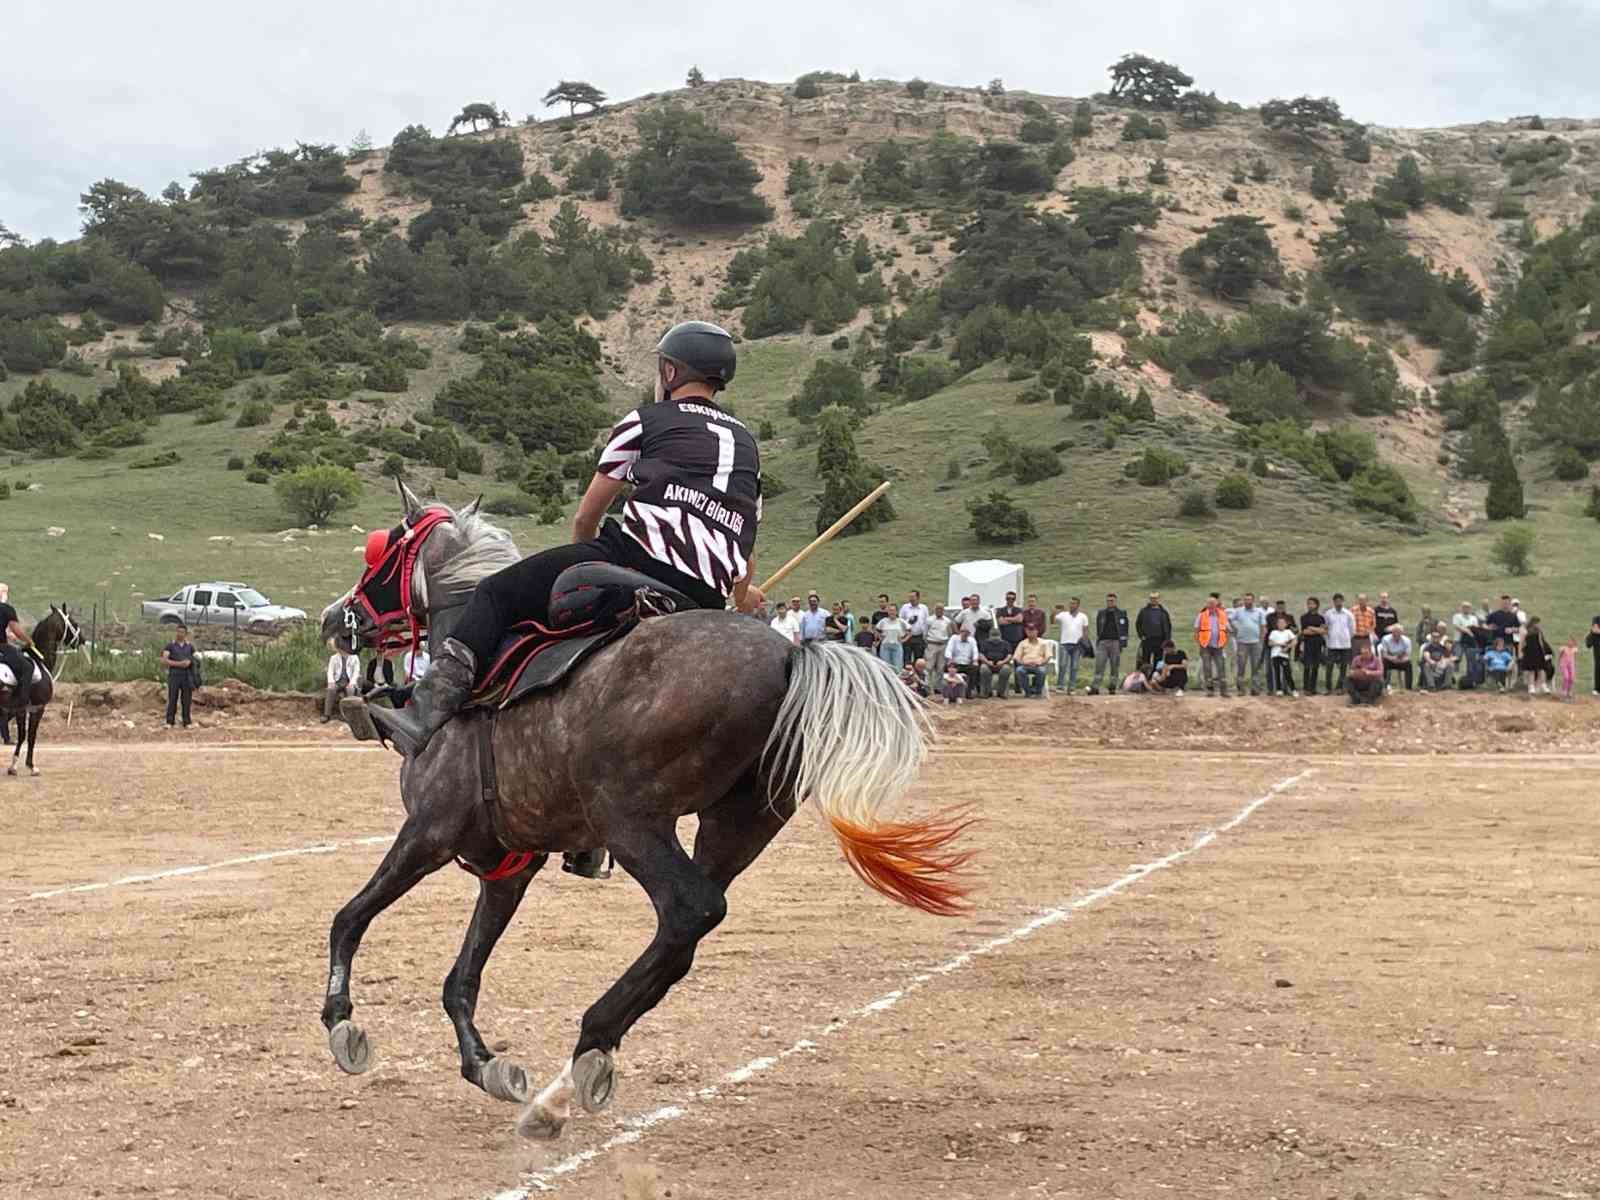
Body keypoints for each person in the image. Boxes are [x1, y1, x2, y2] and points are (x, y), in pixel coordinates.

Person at [373, 321, 763, 758]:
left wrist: (583, 556)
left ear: (671, 373)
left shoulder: (645, 421)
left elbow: (586, 515)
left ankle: (423, 712)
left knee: (496, 594)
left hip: (635, 563)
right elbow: (744, 549)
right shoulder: (747, 445)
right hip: (705, 595)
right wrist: (743, 595)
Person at [0, 584, 37, 715]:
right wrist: (29, 641)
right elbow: (16, 630)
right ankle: (21, 703)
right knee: (27, 667)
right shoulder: (6, 609)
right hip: (2, 647)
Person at [1087, 592, 1129, 696]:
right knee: (1099, 665)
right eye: (1108, 601)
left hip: (1115, 642)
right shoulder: (1101, 613)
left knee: (1115, 666)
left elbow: (1125, 628)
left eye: (1112, 601)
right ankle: (1095, 687)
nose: (1110, 602)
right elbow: (1098, 627)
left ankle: (1112, 687)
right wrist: (1100, 639)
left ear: (1115, 601)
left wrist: (1122, 643)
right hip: (1103, 642)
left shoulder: (1121, 613)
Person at [1227, 592, 1268, 697]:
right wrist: (1235, 629)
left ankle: (1255, 688)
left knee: (1256, 666)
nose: (1247, 602)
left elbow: (1263, 625)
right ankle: (1241, 689)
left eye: (1249, 600)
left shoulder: (1259, 612)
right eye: (1245, 600)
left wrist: (1261, 638)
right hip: (1242, 642)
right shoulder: (1239, 611)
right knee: (1241, 666)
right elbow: (1230, 619)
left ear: (1253, 601)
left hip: (1255, 642)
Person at [162, 623, 200, 729]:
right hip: (174, 675)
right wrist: (179, 664)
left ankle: (187, 722)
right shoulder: (170, 645)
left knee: (186, 700)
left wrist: (190, 662)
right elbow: (164, 660)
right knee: (172, 698)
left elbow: (195, 659)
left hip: (186, 676)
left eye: (182, 632)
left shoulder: (190, 646)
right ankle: (170, 722)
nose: (180, 634)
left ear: (186, 634)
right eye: (178, 632)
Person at [1194, 593, 1230, 697]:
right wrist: (1199, 642)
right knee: (1207, 668)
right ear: (1207, 605)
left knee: (1221, 667)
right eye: (1209, 603)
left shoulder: (1222, 615)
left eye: (1213, 603)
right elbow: (1196, 630)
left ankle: (1224, 690)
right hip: (1206, 646)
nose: (1211, 605)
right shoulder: (1201, 615)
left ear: (1217, 604)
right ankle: (1210, 690)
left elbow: (1227, 628)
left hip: (1219, 646)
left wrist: (1225, 639)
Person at [1054, 598, 1090, 694]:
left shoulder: (1083, 616)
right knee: (1063, 665)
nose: (1071, 605)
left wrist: (1083, 639)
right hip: (1064, 643)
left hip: (1077, 645)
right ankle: (1060, 686)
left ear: (1078, 605)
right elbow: (1053, 620)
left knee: (1074, 666)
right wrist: (1054, 611)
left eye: (1073, 604)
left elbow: (1085, 629)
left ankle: (1072, 687)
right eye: (1070, 603)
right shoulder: (1063, 615)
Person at [323, 636, 362, 724]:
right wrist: (331, 682)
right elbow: (330, 671)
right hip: (338, 681)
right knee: (330, 690)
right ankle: (327, 714)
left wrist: (352, 683)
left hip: (349, 681)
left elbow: (356, 671)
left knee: (350, 690)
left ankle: (350, 715)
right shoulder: (334, 658)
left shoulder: (354, 657)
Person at [1323, 593, 1355, 693]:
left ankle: (1340, 687)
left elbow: (1352, 629)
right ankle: (1328, 688)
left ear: (1343, 601)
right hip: (1332, 644)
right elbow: (1325, 628)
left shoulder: (1348, 614)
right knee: (1329, 666)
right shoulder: (1328, 614)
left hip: (1345, 644)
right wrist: (1329, 639)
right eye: (1336, 601)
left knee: (1343, 667)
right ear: (1333, 602)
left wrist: (1347, 638)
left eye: (1340, 601)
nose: (1338, 603)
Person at [1134, 592, 1172, 673]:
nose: (1154, 600)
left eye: (1155, 598)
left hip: (1160, 640)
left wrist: (1167, 639)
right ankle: (1144, 677)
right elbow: (1138, 624)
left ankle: (1156, 676)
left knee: (1159, 660)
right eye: (1152, 598)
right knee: (1145, 659)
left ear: (1159, 599)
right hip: (1147, 639)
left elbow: (1168, 626)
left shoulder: (1163, 612)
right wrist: (1141, 635)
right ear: (1149, 599)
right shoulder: (1144, 611)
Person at [977, 621, 1015, 699]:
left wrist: (1003, 662)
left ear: (1000, 636)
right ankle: (987, 692)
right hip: (988, 664)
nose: (995, 638)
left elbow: (1009, 655)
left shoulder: (1006, 644)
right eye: (993, 636)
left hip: (1002, 664)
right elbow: (981, 655)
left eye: (996, 636)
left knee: (1006, 669)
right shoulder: (985, 643)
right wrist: (987, 662)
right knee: (984, 669)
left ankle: (1001, 692)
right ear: (989, 636)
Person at [1298, 598, 1326, 696]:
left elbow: (1323, 631)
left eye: (1312, 604)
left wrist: (1311, 628)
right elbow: (1304, 631)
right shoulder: (1304, 617)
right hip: (1308, 643)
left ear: (1317, 605)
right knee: (1307, 666)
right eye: (1309, 604)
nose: (1310, 605)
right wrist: (1316, 630)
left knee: (1315, 666)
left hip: (1318, 644)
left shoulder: (1321, 618)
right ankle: (1306, 688)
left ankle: (1313, 688)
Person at [1452, 602, 1483, 690]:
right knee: (1457, 659)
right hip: (1458, 641)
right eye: (1464, 607)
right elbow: (1457, 626)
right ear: (1461, 608)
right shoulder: (1457, 616)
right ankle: (1454, 680)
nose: (1466, 608)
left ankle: (1470, 681)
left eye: (1468, 607)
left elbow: (1476, 628)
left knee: (1471, 661)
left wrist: (1471, 631)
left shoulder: (1473, 618)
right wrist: (1467, 630)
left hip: (1470, 643)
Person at [1520, 616, 1554, 695]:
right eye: (1537, 623)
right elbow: (1522, 641)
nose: (1538, 624)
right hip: (1529, 651)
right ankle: (1531, 687)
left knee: (1541, 669)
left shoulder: (1538, 631)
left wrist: (1544, 652)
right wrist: (1520, 652)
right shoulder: (1525, 630)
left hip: (1538, 651)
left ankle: (1543, 685)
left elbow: (1541, 642)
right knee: (1531, 670)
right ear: (1533, 622)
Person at [1267, 614, 1298, 697]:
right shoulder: (1274, 632)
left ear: (1286, 624)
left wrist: (1287, 647)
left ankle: (1293, 689)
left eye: (1283, 623)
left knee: (1287, 672)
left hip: (1284, 655)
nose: (1281, 624)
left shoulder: (1288, 632)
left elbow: (1295, 641)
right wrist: (1279, 644)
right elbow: (1270, 643)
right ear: (1277, 624)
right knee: (1277, 672)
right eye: (1279, 623)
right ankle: (1279, 690)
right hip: (1275, 654)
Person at [1013, 629, 1050, 698]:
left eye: (1033, 631)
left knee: (1042, 671)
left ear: (1037, 632)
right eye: (1029, 631)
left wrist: (1041, 663)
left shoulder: (1043, 643)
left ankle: (1038, 692)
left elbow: (1048, 657)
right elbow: (1016, 657)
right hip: (1025, 665)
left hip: (1038, 665)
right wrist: (1023, 663)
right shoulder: (1022, 643)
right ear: (1026, 633)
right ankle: (1028, 692)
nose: (1031, 633)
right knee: (1019, 670)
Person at [1347, 638, 1385, 705]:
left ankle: (1370, 701)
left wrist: (1369, 672)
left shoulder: (1377, 660)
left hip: (1372, 682)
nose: (1364, 655)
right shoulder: (1356, 659)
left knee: (1378, 681)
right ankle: (1356, 699)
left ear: (1371, 652)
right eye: (1362, 653)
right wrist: (1353, 673)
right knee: (1348, 680)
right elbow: (1351, 671)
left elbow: (1380, 672)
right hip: (1360, 681)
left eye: (1366, 653)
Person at [945, 626, 980, 698]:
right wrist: (949, 659)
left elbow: (975, 651)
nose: (965, 635)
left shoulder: (972, 640)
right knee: (948, 668)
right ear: (960, 632)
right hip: (955, 663)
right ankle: (951, 692)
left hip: (967, 663)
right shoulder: (954, 638)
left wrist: (975, 660)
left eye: (967, 634)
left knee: (975, 668)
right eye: (963, 633)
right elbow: (948, 650)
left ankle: (969, 691)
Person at [1377, 624, 1413, 692]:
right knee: (1384, 663)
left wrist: (1400, 660)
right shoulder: (1385, 639)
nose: (1396, 634)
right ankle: (1383, 687)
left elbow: (1407, 656)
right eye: (1394, 632)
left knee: (1409, 665)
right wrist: (1392, 658)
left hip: (1401, 660)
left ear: (1401, 633)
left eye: (1398, 632)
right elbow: (1384, 654)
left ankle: (1408, 688)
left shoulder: (1407, 640)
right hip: (1389, 659)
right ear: (1392, 632)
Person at [899, 590, 930, 666]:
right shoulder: (905, 607)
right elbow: (900, 621)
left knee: (918, 659)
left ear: (918, 597)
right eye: (910, 597)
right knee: (907, 658)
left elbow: (926, 622)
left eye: (913, 597)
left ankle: (917, 676)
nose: (911, 599)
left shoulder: (924, 608)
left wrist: (925, 636)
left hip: (919, 637)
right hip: (907, 637)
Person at [924, 603, 953, 683]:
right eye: (937, 609)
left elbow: (949, 634)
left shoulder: (947, 621)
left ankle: (938, 687)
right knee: (929, 666)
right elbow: (925, 633)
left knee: (940, 667)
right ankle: (927, 686)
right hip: (932, 645)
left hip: (943, 646)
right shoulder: (929, 620)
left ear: (943, 610)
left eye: (941, 609)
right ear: (935, 610)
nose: (939, 611)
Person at [875, 606, 909, 670]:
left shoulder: (901, 621)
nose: (892, 612)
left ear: (896, 612)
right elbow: (876, 630)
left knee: (897, 668)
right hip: (885, 647)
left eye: (893, 610)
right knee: (886, 668)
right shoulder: (883, 621)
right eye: (890, 610)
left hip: (897, 647)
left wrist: (904, 640)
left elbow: (910, 631)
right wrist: (880, 637)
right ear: (888, 612)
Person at [1558, 636, 1578, 701]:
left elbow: (1575, 657)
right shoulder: (1563, 648)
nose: (1570, 643)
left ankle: (1569, 691)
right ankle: (1564, 691)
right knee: (1566, 677)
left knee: (1571, 678)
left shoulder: (1575, 649)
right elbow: (1560, 656)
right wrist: (1559, 663)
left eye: (1572, 641)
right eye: (1569, 641)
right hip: (1564, 664)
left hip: (1571, 665)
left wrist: (1574, 665)